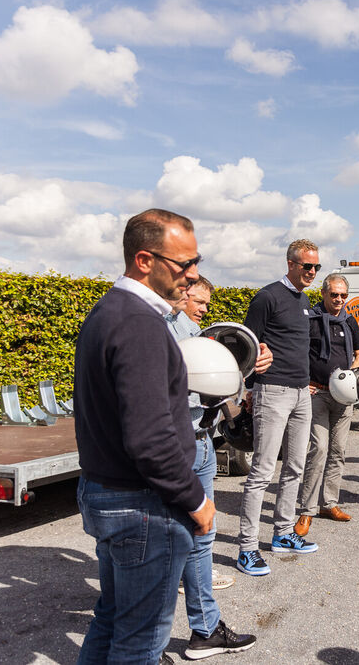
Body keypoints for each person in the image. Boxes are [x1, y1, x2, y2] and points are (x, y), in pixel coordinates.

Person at [74, 209, 215, 663]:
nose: (192, 277)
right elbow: (151, 440)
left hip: (108, 493)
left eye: (196, 262)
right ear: (143, 260)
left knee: (111, 618)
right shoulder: (138, 322)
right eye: (183, 265)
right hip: (142, 508)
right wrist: (196, 499)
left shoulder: (109, 310)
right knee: (139, 643)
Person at [163, 283, 260, 660]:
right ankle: (144, 645)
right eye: (198, 301)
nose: (204, 308)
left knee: (203, 535)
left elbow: (220, 384)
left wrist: (247, 368)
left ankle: (204, 630)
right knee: (166, 540)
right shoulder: (162, 327)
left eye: (207, 302)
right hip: (179, 442)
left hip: (203, 439)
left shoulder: (198, 332)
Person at [237, 240, 320, 576]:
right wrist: (248, 387)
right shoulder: (267, 297)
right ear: (290, 263)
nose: (312, 272)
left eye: (316, 267)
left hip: (302, 393)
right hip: (272, 392)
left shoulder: (304, 300)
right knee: (261, 472)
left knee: (296, 467)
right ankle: (246, 548)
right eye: (306, 266)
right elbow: (247, 343)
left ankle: (283, 534)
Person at [295, 274, 359, 535]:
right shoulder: (311, 321)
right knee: (319, 449)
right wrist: (305, 381)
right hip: (318, 395)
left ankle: (329, 503)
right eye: (334, 294)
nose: (339, 299)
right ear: (324, 294)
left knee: (338, 452)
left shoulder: (349, 321)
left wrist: (352, 374)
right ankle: (306, 510)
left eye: (343, 295)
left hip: (344, 397)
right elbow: (298, 353)